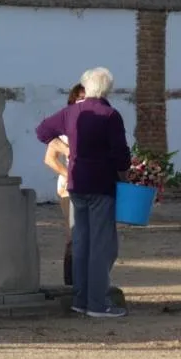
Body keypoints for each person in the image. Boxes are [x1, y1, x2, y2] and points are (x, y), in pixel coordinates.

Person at [35, 67, 131, 318]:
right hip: (102, 185)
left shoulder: (70, 112)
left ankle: (80, 299)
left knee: (80, 243)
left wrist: (66, 148)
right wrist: (125, 176)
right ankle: (98, 304)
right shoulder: (110, 115)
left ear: (85, 87)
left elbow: (42, 131)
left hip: (75, 184)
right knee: (101, 246)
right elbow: (121, 155)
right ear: (107, 89)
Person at [43, 83, 85, 286]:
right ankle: (71, 282)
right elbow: (50, 158)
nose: (83, 102)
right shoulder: (64, 130)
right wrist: (67, 173)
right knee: (73, 234)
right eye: (80, 98)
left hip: (91, 184)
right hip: (69, 188)